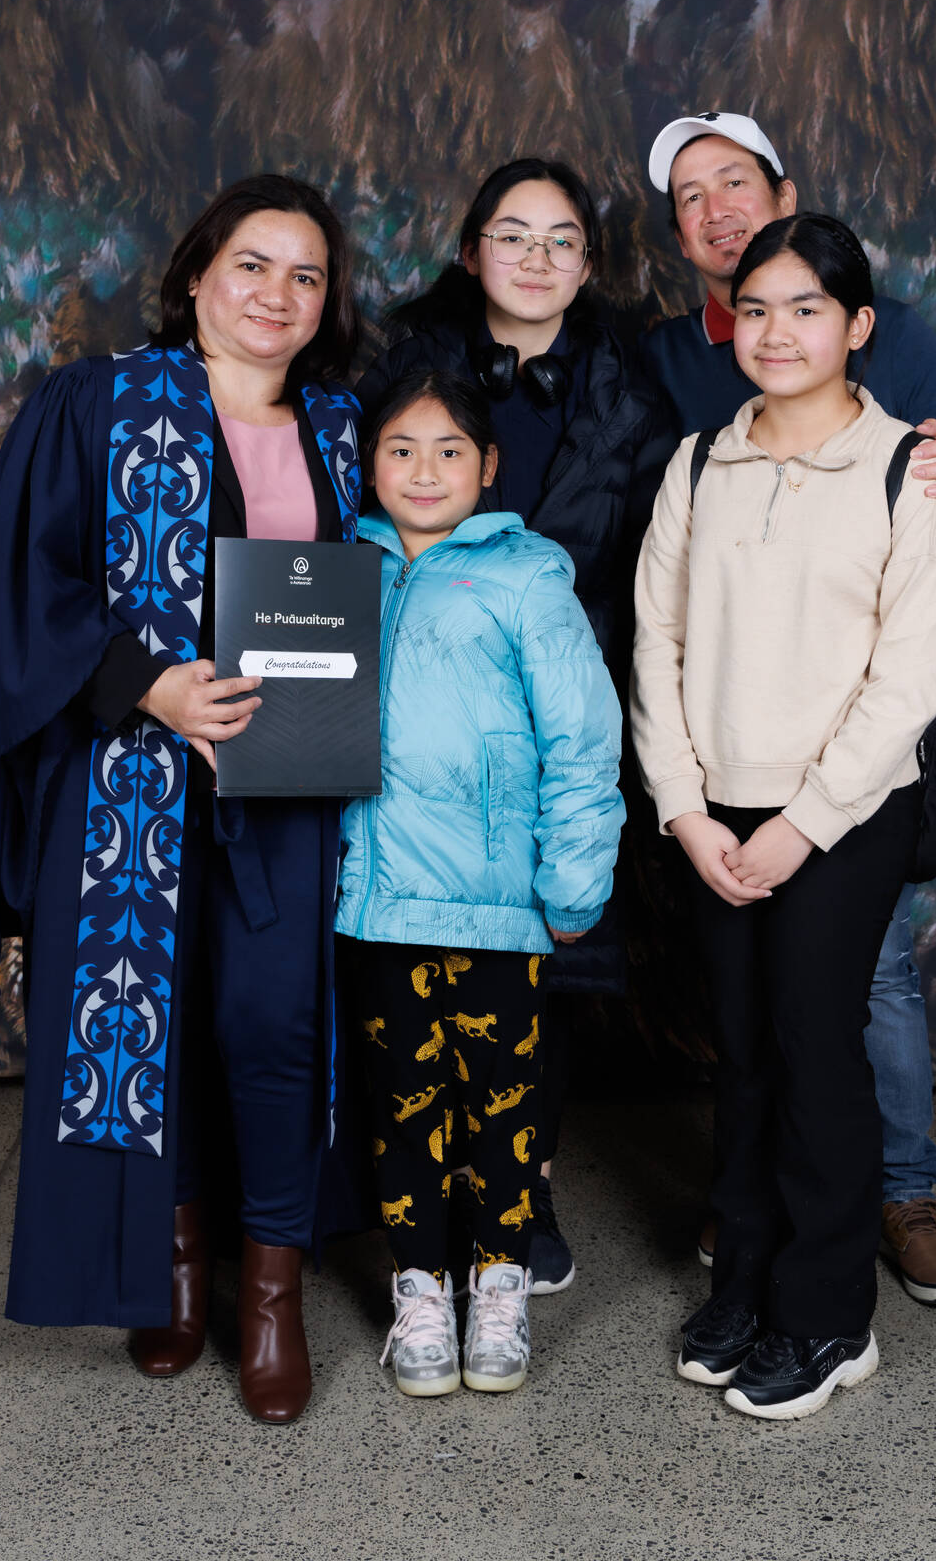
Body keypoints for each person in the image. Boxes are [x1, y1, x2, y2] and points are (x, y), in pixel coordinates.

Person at [0, 173, 363, 1424]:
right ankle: (168, 1270)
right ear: (197, 275)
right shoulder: (103, 403)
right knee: (146, 1025)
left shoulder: (342, 427)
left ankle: (270, 1293)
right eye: (253, 264)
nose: (277, 294)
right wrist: (149, 686)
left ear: (329, 303)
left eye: (307, 275)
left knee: (273, 1027)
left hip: (290, 786)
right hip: (128, 786)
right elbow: (23, 580)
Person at [640, 111, 936, 1304]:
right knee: (756, 1019)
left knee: (860, 986)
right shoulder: (673, 372)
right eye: (689, 196)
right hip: (725, 742)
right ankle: (764, 1218)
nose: (715, 208)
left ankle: (891, 1198)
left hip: (856, 750)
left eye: (733, 181)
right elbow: (663, 599)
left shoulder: (887, 338)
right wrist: (684, 796)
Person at [356, 159, 671, 1295]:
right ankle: (416, 1213)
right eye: (511, 235)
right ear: (470, 249)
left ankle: (517, 1196)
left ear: (588, 263)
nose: (535, 259)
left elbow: (658, 560)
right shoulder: (401, 370)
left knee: (538, 979)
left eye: (560, 240)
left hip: (561, 704)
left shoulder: (631, 392)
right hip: (421, 732)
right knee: (405, 993)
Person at [337, 369, 624, 1396]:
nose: (424, 471)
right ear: (369, 463)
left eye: (450, 450)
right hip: (379, 902)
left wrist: (574, 883)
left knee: (503, 1110)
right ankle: (419, 1287)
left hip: (499, 907)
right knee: (402, 1106)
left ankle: (498, 1286)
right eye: (400, 449)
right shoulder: (336, 573)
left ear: (488, 464)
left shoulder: (525, 579)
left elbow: (582, 738)